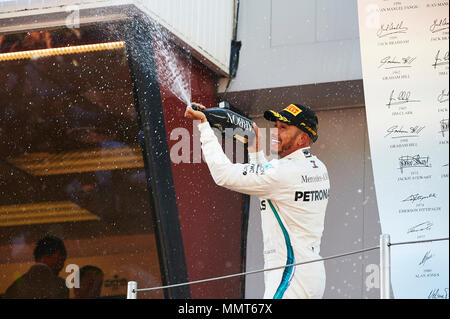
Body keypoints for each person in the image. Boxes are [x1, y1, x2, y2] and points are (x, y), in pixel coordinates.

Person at [184, 103, 330, 299]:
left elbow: (223, 175)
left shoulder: (284, 173)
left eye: (284, 128)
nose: (276, 133)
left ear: (303, 138)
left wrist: (203, 126)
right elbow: (268, 188)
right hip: (309, 272)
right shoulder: (317, 167)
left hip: (290, 275)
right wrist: (254, 151)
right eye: (276, 126)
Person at [4, 235, 69, 299]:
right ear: (44, 257)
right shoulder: (60, 286)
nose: (61, 265)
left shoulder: (16, 286)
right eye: (60, 259)